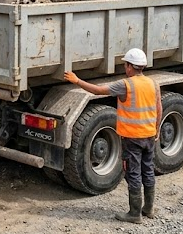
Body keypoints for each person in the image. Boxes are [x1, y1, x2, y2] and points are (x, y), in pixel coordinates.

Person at [64, 48, 162, 224]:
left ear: (131, 66)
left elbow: (98, 90)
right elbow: (159, 107)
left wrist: (77, 80)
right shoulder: (153, 84)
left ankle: (134, 214)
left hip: (132, 138)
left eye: (126, 64)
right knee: (148, 170)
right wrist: (157, 129)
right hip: (149, 135)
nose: (125, 67)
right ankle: (149, 209)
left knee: (133, 174)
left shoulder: (126, 85)